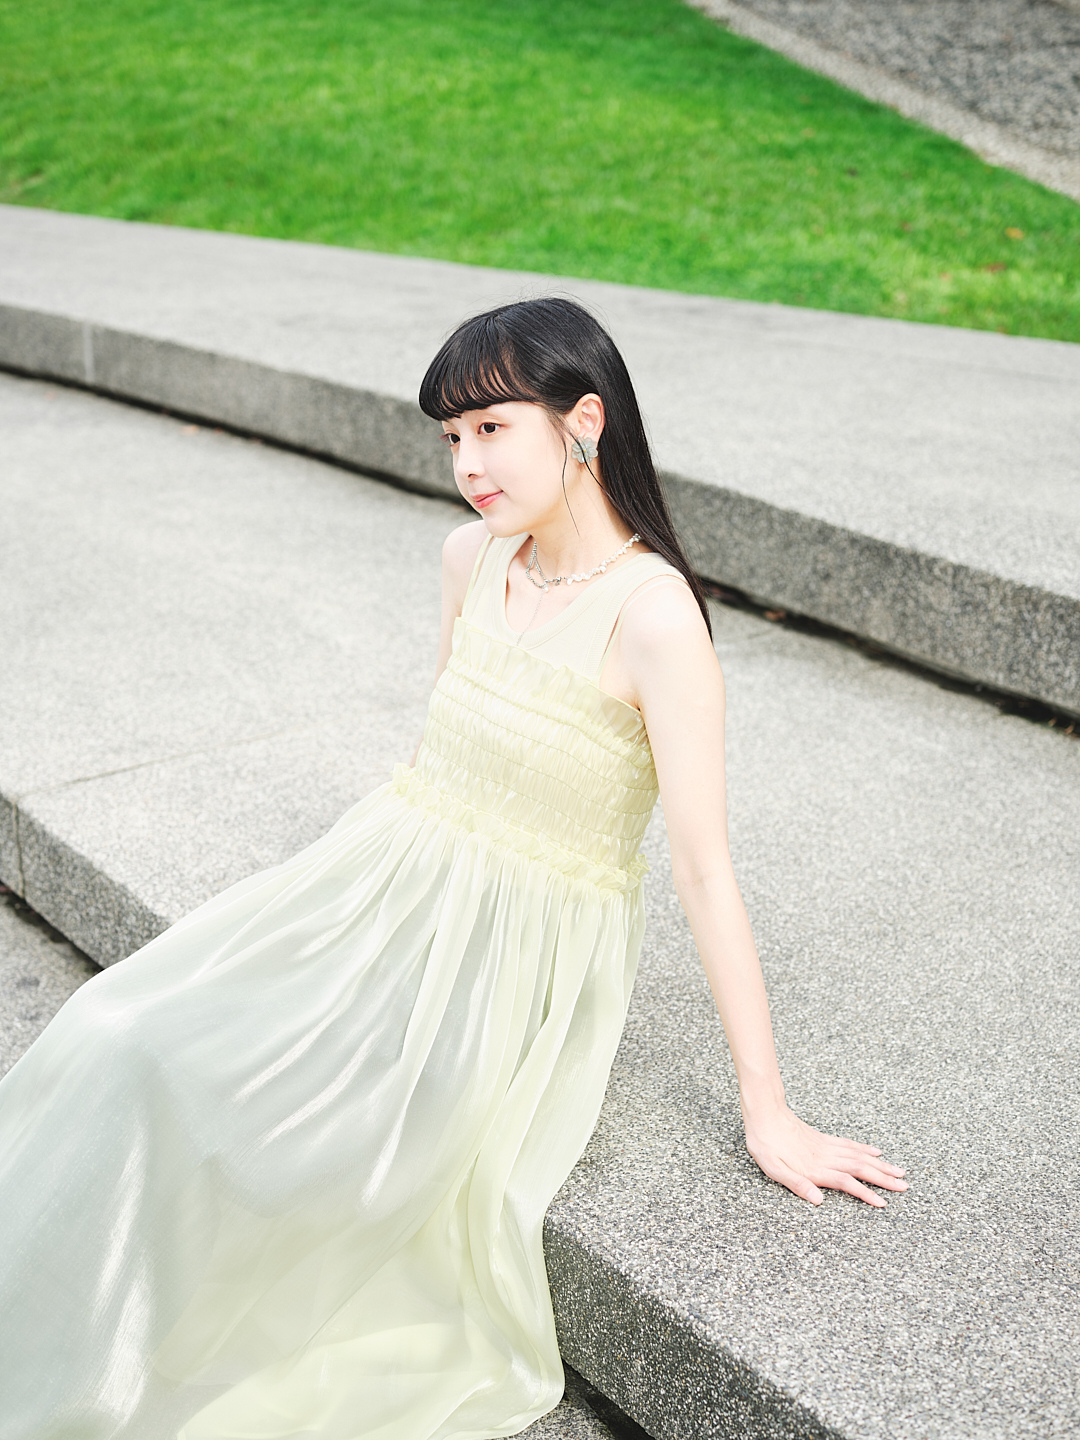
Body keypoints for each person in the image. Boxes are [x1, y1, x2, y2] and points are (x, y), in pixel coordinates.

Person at [0, 297, 905, 1439]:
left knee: (261, 1127)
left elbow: (704, 869)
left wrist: (767, 1109)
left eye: (492, 429)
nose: (468, 464)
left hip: (511, 954)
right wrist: (334, 929)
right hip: (393, 884)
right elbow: (438, 752)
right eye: (452, 437)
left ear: (584, 422)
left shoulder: (655, 617)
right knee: (119, 1028)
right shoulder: (471, 556)